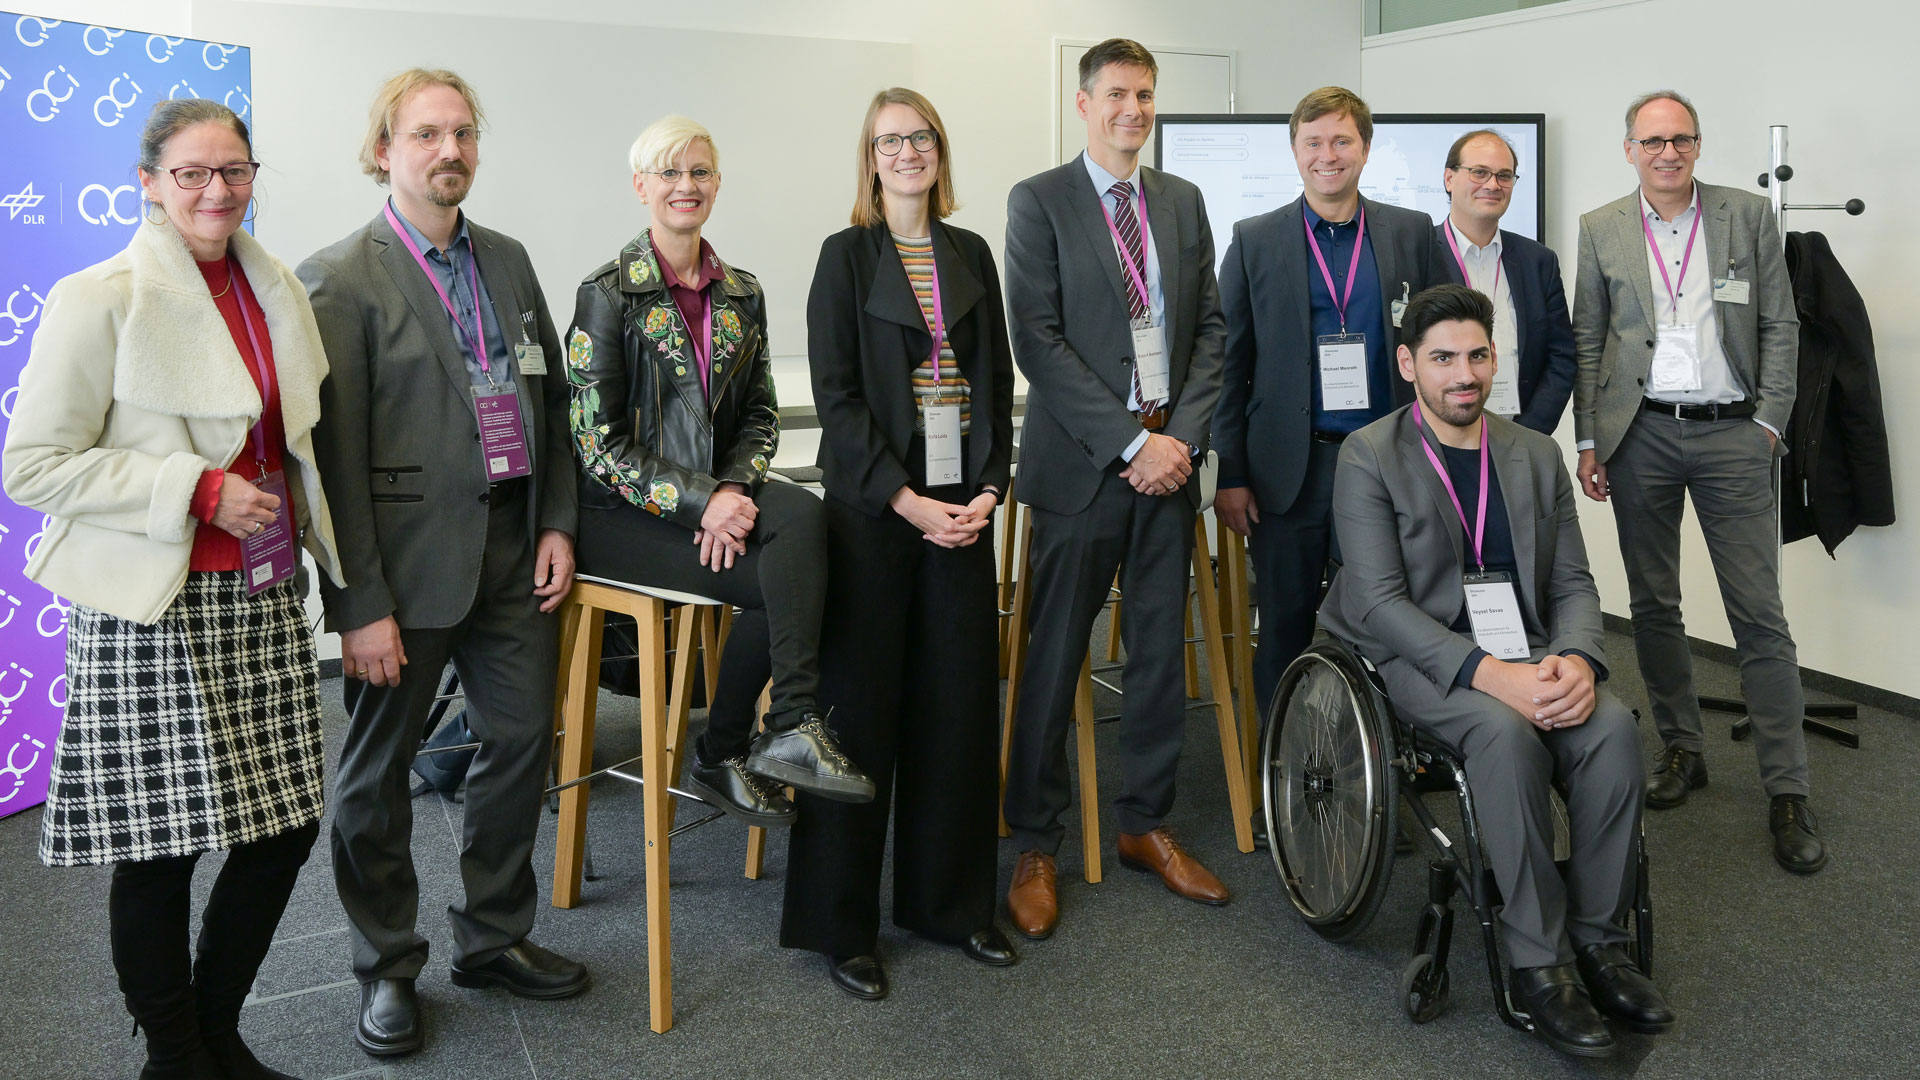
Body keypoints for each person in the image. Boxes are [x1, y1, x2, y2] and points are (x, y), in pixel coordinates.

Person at [3, 99, 345, 1080]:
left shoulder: (273, 285)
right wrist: (191, 489)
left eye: (233, 170)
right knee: (160, 849)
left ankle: (212, 1031)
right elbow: (32, 466)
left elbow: (294, 441)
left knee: (281, 827)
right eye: (191, 173)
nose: (215, 191)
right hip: (153, 607)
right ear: (148, 181)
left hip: (263, 596)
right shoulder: (100, 295)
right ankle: (177, 1055)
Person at [297, 69, 584, 1058]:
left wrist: (555, 521)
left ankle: (496, 937)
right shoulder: (341, 277)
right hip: (406, 574)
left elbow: (540, 403)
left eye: (462, 132)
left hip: (513, 553)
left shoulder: (505, 260)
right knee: (374, 780)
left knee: (517, 747)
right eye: (426, 135)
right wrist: (357, 603)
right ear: (384, 149)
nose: (449, 150)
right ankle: (384, 966)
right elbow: (331, 464)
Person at [1321, 284, 1674, 1059]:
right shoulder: (1370, 454)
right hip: (1422, 655)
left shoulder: (1534, 453)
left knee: (1611, 726)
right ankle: (1538, 962)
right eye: (1443, 357)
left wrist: (1579, 660)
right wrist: (1493, 675)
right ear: (1410, 364)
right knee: (1504, 735)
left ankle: (1599, 944)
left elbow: (1575, 584)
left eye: (1477, 355)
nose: (1463, 374)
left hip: (1532, 646)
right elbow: (1379, 605)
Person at [564, 115, 874, 821]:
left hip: (712, 496)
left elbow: (760, 414)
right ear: (640, 186)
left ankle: (788, 724)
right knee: (780, 572)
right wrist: (703, 504)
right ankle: (728, 748)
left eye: (699, 172)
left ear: (717, 184)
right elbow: (597, 447)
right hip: (620, 516)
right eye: (669, 172)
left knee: (807, 516)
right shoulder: (607, 294)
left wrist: (732, 489)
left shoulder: (743, 292)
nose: (686, 185)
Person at [781, 88, 1018, 1000]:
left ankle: (952, 907)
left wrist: (991, 485)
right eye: (891, 141)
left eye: (920, 137)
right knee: (857, 718)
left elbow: (995, 384)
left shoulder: (971, 252)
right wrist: (908, 500)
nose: (907, 152)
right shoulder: (843, 259)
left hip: (966, 511)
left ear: (939, 151)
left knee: (957, 711)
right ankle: (843, 928)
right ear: (870, 159)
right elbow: (837, 407)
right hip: (878, 517)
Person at [1001, 38, 1230, 940]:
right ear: (1085, 103)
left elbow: (1210, 330)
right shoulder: (1041, 201)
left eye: (1145, 94)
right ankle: (1032, 839)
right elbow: (1039, 342)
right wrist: (1132, 441)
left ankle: (1144, 824)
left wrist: (1177, 442)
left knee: (1160, 662)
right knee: (1055, 658)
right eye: (1117, 95)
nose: (1134, 109)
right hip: (1085, 468)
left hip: (1168, 465)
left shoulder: (1180, 200)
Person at [1570, 90, 1824, 873]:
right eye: (1652, 141)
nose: (1668, 153)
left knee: (1759, 614)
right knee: (1653, 604)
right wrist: (1588, 438)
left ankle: (1788, 788)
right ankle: (1683, 748)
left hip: (1732, 436)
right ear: (1630, 150)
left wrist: (1770, 424)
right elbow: (1588, 336)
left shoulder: (1745, 216)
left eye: (1680, 139)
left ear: (1699, 146)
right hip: (1640, 433)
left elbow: (1781, 322)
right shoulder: (1600, 227)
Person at [1211, 86, 1444, 720]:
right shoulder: (1254, 240)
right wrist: (1230, 472)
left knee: (1389, 617)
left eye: (1342, 140)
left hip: (1387, 464)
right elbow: (1231, 366)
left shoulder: (1410, 232)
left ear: (1365, 149)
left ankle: (1381, 773)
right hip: (1291, 470)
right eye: (1313, 142)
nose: (1327, 155)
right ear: (1294, 150)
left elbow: (1440, 343)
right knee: (1284, 624)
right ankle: (1281, 783)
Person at [1434, 129, 1576, 434]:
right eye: (1479, 172)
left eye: (1504, 175)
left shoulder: (1538, 261)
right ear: (1449, 179)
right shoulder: (1420, 252)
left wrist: (1530, 434)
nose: (1493, 185)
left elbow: (1561, 356)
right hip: (1438, 438)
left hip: (1520, 436)